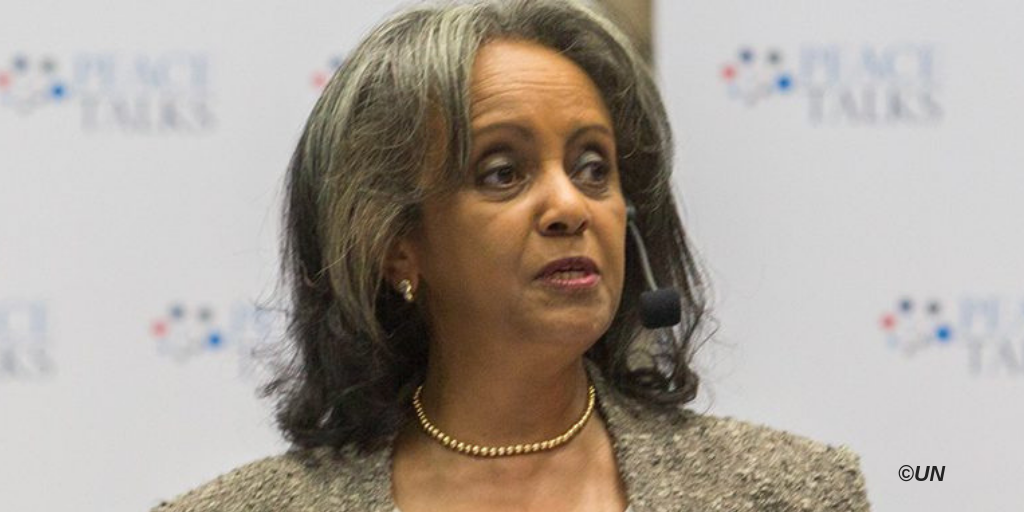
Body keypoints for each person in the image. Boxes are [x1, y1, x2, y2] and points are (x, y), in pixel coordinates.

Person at [154, 1, 870, 511]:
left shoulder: (795, 493)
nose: (570, 205)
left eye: (593, 168)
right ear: (395, 245)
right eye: (503, 172)